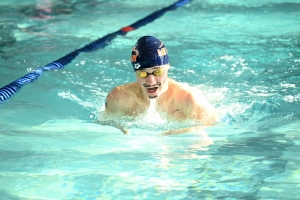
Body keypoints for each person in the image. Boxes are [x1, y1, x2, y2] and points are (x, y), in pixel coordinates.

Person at [103, 36, 217, 133]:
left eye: (157, 72)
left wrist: (173, 136)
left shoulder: (190, 99)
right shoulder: (118, 99)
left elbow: (208, 136)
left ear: (167, 67)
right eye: (143, 74)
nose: (151, 81)